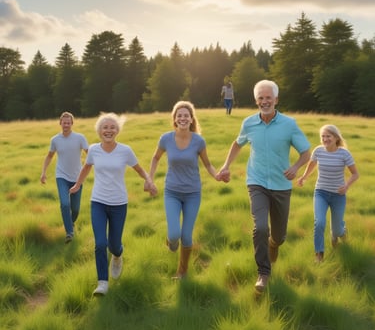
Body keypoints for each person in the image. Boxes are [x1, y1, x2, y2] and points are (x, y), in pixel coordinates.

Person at [217, 80, 310, 294]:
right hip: (256, 182)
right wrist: (226, 166)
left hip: (281, 185)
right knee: (259, 227)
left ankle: (274, 244)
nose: (264, 101)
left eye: (269, 97)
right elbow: (237, 144)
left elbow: (306, 152)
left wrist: (296, 167)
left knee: (279, 236)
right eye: (261, 98)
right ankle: (263, 272)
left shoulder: (289, 124)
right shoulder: (249, 123)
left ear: (276, 100)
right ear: (255, 100)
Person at [69, 112, 157, 296]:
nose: (108, 130)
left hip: (119, 203)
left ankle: (117, 256)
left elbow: (138, 168)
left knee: (114, 245)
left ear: (117, 130)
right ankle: (102, 283)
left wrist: (149, 180)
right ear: (99, 131)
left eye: (112, 127)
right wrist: (77, 184)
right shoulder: (93, 149)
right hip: (98, 202)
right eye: (105, 127)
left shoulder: (125, 150)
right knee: (100, 243)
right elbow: (86, 167)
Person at [149, 101, 229, 280]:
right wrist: (150, 178)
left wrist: (216, 175)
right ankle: (171, 241)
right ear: (175, 119)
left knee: (186, 236)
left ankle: (182, 273)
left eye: (186, 115)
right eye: (180, 115)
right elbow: (155, 158)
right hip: (172, 192)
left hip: (193, 193)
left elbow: (207, 164)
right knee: (175, 234)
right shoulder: (166, 139)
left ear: (191, 119)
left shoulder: (198, 141)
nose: (183, 118)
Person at [297, 125, 359, 263]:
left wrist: (346, 185)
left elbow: (355, 174)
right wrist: (304, 177)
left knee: (337, 231)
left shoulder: (344, 154)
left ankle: (340, 232)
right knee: (319, 222)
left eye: (328, 136)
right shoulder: (318, 151)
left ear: (336, 138)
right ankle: (319, 254)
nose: (325, 139)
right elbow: (311, 165)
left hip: (338, 195)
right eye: (323, 136)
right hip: (321, 193)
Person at [40, 111, 89, 244]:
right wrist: (43, 172)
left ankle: (70, 223)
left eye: (68, 122)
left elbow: (89, 153)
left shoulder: (80, 138)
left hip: (77, 178)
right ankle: (69, 232)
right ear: (60, 123)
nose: (66, 125)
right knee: (64, 204)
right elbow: (49, 156)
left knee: (76, 209)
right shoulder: (55, 140)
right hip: (61, 176)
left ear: (72, 124)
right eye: (64, 122)